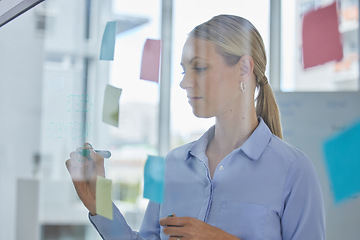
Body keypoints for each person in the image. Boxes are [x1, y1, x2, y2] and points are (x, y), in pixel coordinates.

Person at [66, 15, 325, 240]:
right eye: (183, 71)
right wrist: (98, 203)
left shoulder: (294, 171)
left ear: (244, 68)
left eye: (199, 68)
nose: (185, 83)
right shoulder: (174, 164)